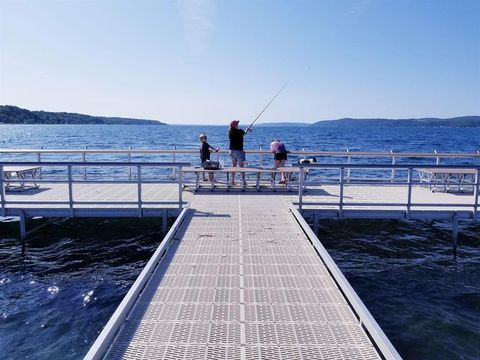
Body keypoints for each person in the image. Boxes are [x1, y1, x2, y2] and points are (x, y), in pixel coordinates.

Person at [228, 120, 251, 186]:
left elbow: (243, 133)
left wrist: (246, 131)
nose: (238, 125)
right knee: (241, 167)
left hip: (231, 151)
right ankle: (243, 181)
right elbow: (244, 133)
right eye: (237, 124)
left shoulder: (230, 132)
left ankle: (232, 181)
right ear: (235, 126)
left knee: (233, 166)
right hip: (238, 151)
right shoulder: (239, 131)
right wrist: (247, 130)